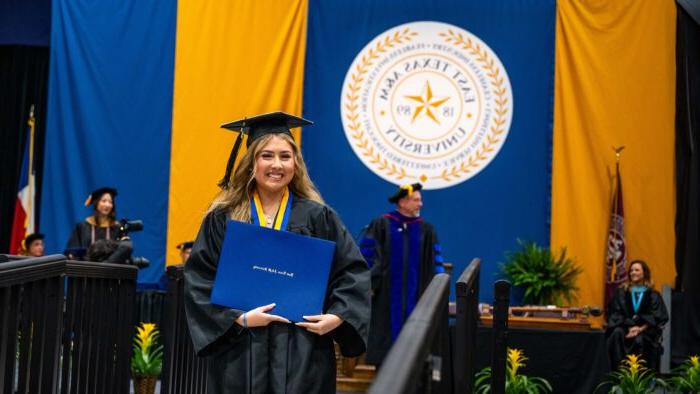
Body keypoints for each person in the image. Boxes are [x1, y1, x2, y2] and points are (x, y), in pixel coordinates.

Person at [183, 111, 370, 393]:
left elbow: (351, 272)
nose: (277, 165)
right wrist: (240, 319)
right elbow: (199, 278)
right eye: (266, 155)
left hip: (303, 351)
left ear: (296, 163)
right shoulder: (224, 217)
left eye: (285, 156)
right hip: (241, 351)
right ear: (251, 163)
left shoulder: (318, 216)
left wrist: (337, 316)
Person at [359, 182, 445, 365]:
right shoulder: (382, 224)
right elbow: (367, 257)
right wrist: (369, 285)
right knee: (384, 345)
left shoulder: (426, 230)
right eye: (416, 200)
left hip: (418, 297)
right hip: (384, 297)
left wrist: (435, 293)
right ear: (403, 201)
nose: (421, 204)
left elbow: (436, 264)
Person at [606, 259, 669, 370]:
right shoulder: (622, 292)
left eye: (637, 270)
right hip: (625, 328)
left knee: (641, 340)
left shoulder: (653, 294)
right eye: (631, 270)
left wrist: (639, 329)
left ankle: (641, 381)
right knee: (616, 333)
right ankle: (619, 375)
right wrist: (630, 326)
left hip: (646, 331)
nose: (633, 272)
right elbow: (615, 312)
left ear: (644, 273)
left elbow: (658, 316)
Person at [66, 187, 121, 256]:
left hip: (111, 265)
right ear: (96, 203)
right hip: (86, 265)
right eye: (104, 201)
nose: (107, 205)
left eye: (110, 202)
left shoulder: (116, 228)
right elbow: (72, 251)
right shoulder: (83, 227)